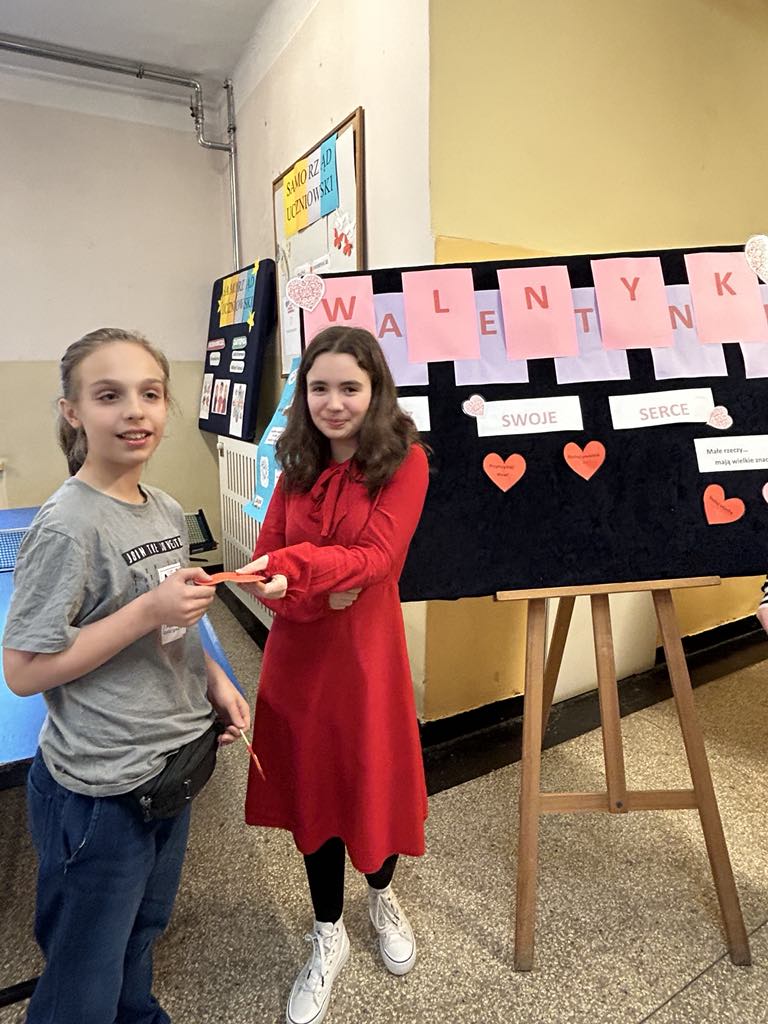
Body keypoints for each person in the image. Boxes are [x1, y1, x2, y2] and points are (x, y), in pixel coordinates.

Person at [2, 327, 250, 1024]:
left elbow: (172, 620)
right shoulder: (67, 527)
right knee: (85, 960)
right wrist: (147, 610)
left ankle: (137, 1014)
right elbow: (23, 671)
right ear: (73, 412)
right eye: (109, 395)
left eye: (150, 394)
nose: (135, 411)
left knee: (143, 927)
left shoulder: (165, 508)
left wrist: (212, 678)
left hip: (168, 768)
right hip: (102, 789)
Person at [237, 324, 430, 1024]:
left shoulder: (405, 462)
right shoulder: (296, 462)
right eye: (319, 388)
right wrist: (314, 590)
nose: (334, 402)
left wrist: (299, 573)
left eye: (350, 387)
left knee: (371, 781)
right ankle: (327, 932)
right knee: (314, 794)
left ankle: (381, 897)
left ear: (376, 389)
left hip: (366, 662)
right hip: (297, 660)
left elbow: (379, 559)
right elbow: (263, 563)